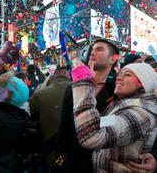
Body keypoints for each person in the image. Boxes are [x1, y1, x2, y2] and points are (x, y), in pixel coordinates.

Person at [71, 61, 157, 172]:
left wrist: (82, 82)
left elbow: (91, 137)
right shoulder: (121, 103)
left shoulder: (141, 113)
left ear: (143, 83)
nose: (119, 78)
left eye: (127, 75)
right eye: (120, 74)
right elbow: (102, 126)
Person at [57, 39, 120, 173]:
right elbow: (64, 125)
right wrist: (61, 154)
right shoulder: (73, 87)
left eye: (100, 49)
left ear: (113, 58)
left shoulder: (118, 89)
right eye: (93, 49)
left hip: (102, 161)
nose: (93, 52)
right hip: (74, 161)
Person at [29, 67, 71, 172]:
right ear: (69, 76)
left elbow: (31, 113)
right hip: (76, 153)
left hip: (50, 152)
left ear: (52, 77)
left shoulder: (40, 94)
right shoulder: (80, 91)